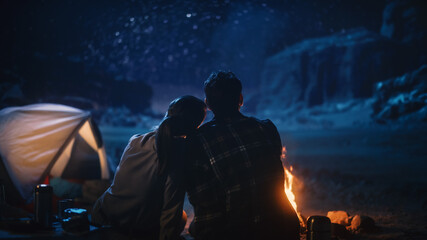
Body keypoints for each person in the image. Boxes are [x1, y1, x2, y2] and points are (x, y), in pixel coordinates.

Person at [185, 71, 300, 240]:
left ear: (207, 104)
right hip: (284, 228)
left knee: (193, 229)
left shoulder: (198, 141)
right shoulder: (267, 128)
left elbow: (206, 208)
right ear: (240, 99)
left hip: (238, 232)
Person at [92, 96, 207, 240]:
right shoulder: (179, 154)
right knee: (182, 217)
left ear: (168, 114)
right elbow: (171, 207)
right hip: (138, 226)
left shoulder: (135, 140)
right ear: (195, 128)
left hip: (104, 213)